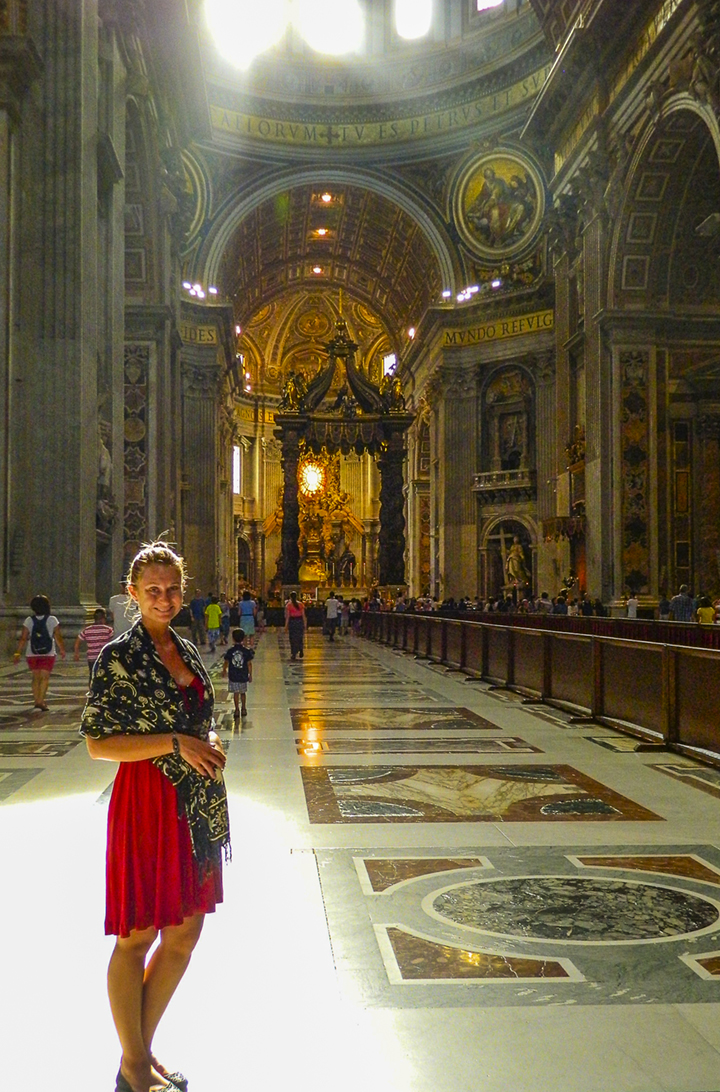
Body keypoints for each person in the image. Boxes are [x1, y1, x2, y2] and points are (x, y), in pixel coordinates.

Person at [80, 541, 229, 1092]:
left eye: (171, 591)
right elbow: (97, 743)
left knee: (186, 931)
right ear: (132, 595)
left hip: (192, 807)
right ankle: (138, 1070)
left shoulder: (186, 652)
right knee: (137, 936)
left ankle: (134, 1056)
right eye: (152, 592)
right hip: (146, 801)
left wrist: (204, 739)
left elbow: (196, 718)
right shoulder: (118, 656)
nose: (163, 600)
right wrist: (174, 742)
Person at [13, 593, 66, 711]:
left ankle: (36, 700)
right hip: (48, 653)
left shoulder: (28, 620)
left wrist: (17, 653)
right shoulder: (52, 620)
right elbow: (58, 636)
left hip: (32, 653)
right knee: (45, 678)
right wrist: (62, 649)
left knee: (35, 677)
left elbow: (23, 638)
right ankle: (41, 701)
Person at [74, 607, 115, 683]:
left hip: (91, 657)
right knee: (105, 675)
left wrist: (76, 653)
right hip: (104, 656)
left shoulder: (87, 630)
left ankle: (92, 689)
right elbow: (113, 641)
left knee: (92, 674)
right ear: (104, 618)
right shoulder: (108, 630)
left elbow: (77, 642)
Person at [222, 628, 254, 718]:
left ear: (233, 638)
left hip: (233, 675)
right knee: (243, 693)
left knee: (236, 693)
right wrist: (250, 674)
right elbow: (249, 664)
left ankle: (236, 709)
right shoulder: (246, 651)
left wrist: (224, 670)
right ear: (243, 638)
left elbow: (226, 662)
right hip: (243, 675)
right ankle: (244, 708)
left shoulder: (230, 651)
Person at [285, 591, 307, 660]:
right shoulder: (301, 604)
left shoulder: (289, 605)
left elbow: (288, 617)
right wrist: (305, 624)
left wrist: (286, 626)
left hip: (292, 622)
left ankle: (293, 653)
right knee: (300, 637)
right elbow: (303, 615)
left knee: (292, 638)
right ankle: (300, 649)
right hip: (299, 621)